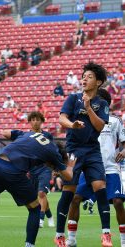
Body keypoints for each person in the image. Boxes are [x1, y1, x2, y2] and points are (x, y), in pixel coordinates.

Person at [54, 62, 111, 247]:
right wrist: (72, 125)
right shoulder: (73, 98)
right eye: (83, 76)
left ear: (99, 82)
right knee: (68, 193)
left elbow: (100, 126)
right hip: (73, 151)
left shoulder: (102, 103)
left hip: (93, 151)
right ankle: (59, 235)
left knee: (100, 189)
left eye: (89, 76)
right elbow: (62, 118)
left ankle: (106, 235)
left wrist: (88, 108)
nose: (84, 79)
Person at [65, 89, 125, 247]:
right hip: (89, 166)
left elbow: (124, 141)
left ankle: (123, 241)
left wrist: (124, 151)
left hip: (110, 168)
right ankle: (71, 239)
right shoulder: (87, 118)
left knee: (118, 202)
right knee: (76, 199)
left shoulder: (116, 121)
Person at [1, 111, 55, 228]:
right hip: (32, 170)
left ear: (42, 121)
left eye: (38, 119)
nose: (35, 122)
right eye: (33, 120)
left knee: (41, 193)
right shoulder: (24, 135)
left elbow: (53, 152)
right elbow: (5, 133)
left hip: (45, 169)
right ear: (29, 122)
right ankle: (50, 216)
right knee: (40, 196)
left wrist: (55, 168)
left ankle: (40, 220)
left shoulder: (48, 136)